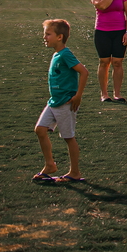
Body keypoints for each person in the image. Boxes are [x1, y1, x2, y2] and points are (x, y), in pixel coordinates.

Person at [33, 18, 88, 183]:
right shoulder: (57, 54)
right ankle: (50, 165)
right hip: (54, 102)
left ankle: (75, 173)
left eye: (48, 34)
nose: (45, 37)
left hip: (65, 103)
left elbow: (84, 72)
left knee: (68, 137)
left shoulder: (65, 54)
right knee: (40, 130)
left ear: (59, 37)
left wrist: (78, 96)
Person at [92, 0, 127, 102]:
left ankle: (117, 93)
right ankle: (104, 94)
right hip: (102, 32)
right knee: (104, 62)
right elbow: (102, 6)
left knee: (117, 62)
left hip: (119, 32)